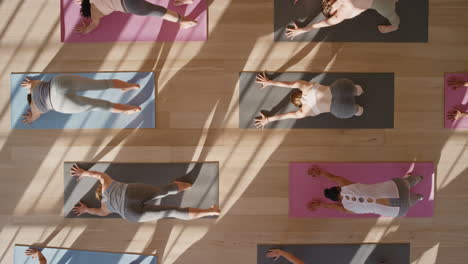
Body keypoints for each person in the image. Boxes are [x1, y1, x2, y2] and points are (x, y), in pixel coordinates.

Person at [70, 164, 220, 222]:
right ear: (99, 190)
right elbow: (100, 175)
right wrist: (84, 173)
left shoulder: (105, 208)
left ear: (99, 198)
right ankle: (186, 185)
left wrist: (85, 209)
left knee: (172, 212)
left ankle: (210, 212)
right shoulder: (106, 185)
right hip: (130, 193)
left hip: (129, 213)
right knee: (163, 190)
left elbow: (98, 213)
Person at [253, 72, 364, 128]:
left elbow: (287, 115)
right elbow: (289, 85)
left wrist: (268, 120)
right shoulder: (305, 87)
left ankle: (357, 108)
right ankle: (357, 91)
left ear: (299, 105)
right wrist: (270, 82)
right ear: (299, 93)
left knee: (358, 111)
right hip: (339, 88)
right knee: (357, 89)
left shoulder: (303, 111)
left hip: (340, 108)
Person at [21, 74, 142, 125]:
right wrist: (30, 83)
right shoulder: (33, 87)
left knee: (101, 105)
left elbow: (35, 117)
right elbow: (35, 82)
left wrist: (31, 117)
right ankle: (129, 85)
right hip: (59, 83)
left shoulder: (35, 108)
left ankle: (130, 109)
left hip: (60, 104)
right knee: (101, 83)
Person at [306, 167, 424, 217]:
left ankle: (419, 197)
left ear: (337, 200)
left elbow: (332, 206)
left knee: (409, 201)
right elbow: (332, 177)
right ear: (338, 188)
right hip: (398, 188)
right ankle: (418, 178)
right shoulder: (346, 186)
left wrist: (320, 205)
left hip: (398, 211)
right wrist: (321, 173)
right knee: (406, 182)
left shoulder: (348, 209)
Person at [285, 0, 400, 40]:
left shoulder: (342, 14)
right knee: (392, 14)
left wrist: (302, 30)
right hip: (380, 3)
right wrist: (302, 30)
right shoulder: (343, 10)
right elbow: (320, 24)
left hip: (381, 3)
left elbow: (321, 24)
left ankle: (394, 26)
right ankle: (394, 25)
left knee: (393, 18)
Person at [74, 0, 197, 34]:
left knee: (159, 11)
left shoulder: (94, 12)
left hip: (129, 6)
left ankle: (185, 21)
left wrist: (85, 30)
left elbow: (94, 24)